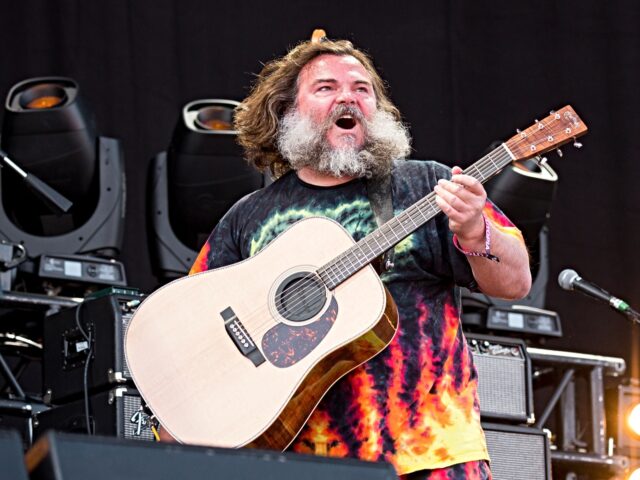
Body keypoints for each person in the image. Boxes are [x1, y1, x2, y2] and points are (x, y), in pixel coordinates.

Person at [188, 36, 531, 479]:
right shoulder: (249, 216)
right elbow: (194, 322)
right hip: (292, 461)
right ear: (287, 111)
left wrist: (474, 231)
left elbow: (515, 282)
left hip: (429, 455)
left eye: (362, 88)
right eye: (326, 87)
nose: (348, 95)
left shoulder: (431, 185)